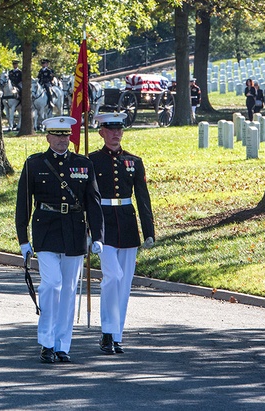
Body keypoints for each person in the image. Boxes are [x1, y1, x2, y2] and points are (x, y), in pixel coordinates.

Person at [16, 116, 104, 364]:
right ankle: (46, 341)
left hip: (75, 232)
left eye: (65, 136)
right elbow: (23, 205)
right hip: (46, 230)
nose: (62, 141)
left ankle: (62, 344)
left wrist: (97, 236)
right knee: (51, 285)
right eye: (56, 136)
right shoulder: (34, 164)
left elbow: (93, 203)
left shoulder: (83, 165)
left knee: (68, 291)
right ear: (48, 137)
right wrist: (23, 240)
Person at [88, 113, 155, 355]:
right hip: (103, 225)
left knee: (124, 283)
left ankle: (117, 335)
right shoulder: (92, 161)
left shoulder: (133, 161)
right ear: (101, 132)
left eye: (119, 129)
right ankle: (107, 331)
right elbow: (88, 198)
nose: (116, 134)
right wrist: (89, 228)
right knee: (113, 277)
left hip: (127, 224)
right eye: (110, 129)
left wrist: (149, 231)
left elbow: (142, 197)